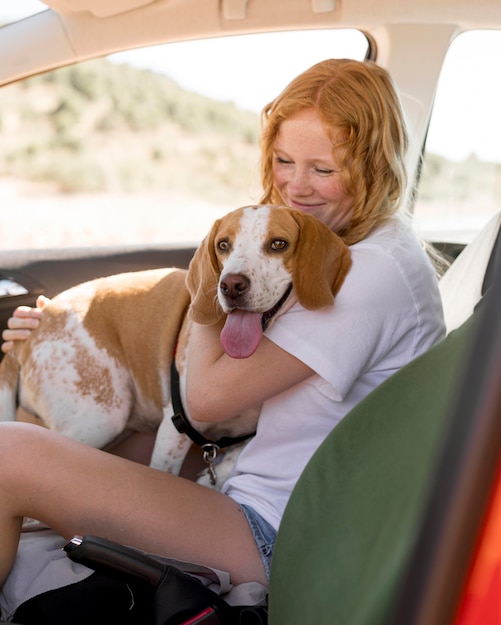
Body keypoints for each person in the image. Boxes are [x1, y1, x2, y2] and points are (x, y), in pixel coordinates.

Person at [0, 59, 445, 594]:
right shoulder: (356, 249)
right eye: (283, 161)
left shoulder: (365, 272)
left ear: (377, 166)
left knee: (10, 455)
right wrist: (57, 330)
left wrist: (215, 277)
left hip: (278, 535)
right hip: (261, 491)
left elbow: (206, 401)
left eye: (323, 170)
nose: (295, 188)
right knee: (71, 442)